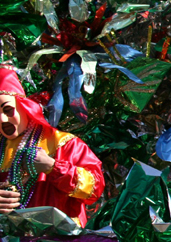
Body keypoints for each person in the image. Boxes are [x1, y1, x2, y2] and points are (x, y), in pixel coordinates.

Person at [0, 68, 105, 225]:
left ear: (24, 106)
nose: (2, 119)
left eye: (8, 110)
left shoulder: (64, 143)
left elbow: (94, 189)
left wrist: (53, 167)